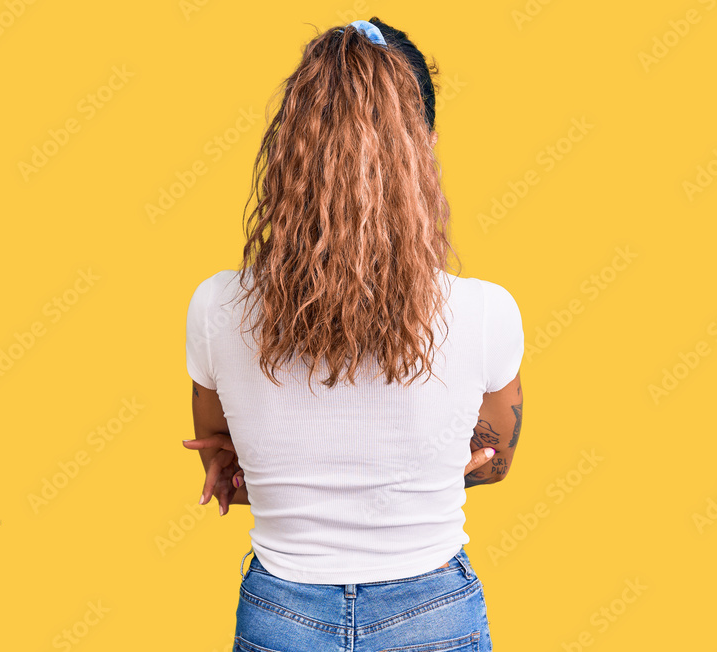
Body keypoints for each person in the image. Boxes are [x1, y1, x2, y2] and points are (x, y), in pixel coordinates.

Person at [181, 17, 524, 652]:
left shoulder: (216, 306)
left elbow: (228, 466)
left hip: (281, 613)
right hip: (433, 614)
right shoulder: (486, 312)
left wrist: (286, 470)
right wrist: (423, 468)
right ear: (424, 146)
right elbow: (494, 461)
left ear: (292, 146)